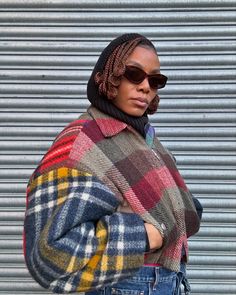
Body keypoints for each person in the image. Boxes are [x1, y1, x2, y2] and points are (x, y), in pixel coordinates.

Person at [23, 33, 202, 294]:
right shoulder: (81, 143)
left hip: (167, 282)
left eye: (155, 81)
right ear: (109, 76)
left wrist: (185, 211)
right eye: (134, 74)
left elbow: (155, 206)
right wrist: (138, 237)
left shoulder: (141, 136)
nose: (145, 87)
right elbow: (47, 252)